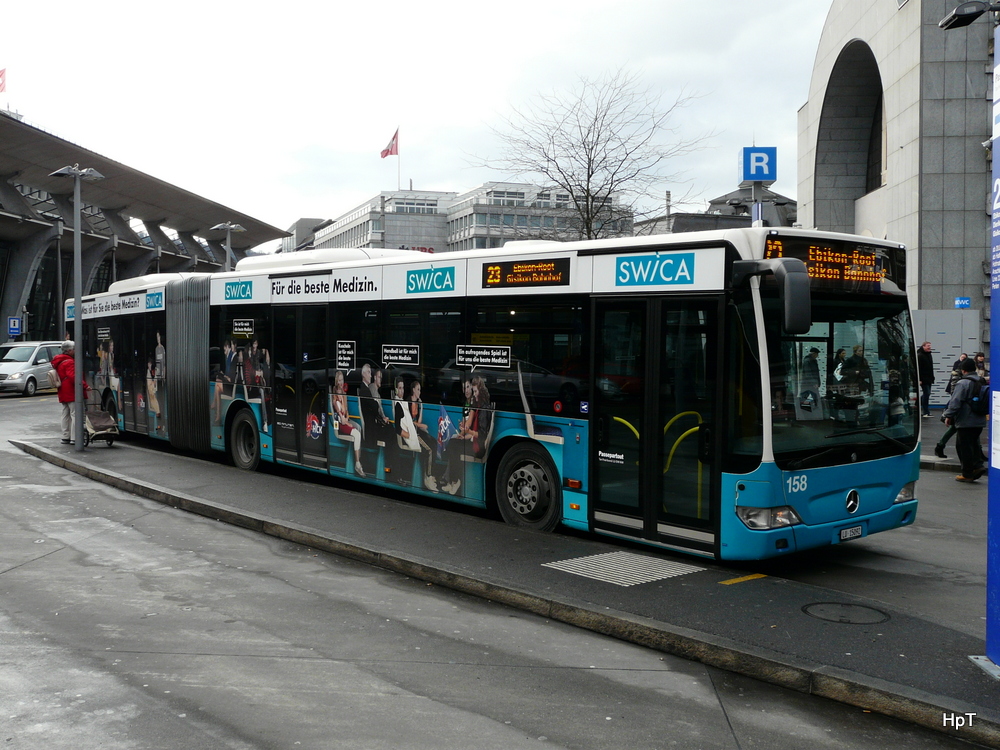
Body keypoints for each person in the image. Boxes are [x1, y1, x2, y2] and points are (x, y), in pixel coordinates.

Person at [943, 358, 987, 482]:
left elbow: (955, 402)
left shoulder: (963, 383)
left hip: (966, 420)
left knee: (963, 447)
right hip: (979, 419)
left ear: (963, 370)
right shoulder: (981, 381)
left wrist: (948, 416)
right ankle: (977, 466)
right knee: (974, 444)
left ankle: (967, 474)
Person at [52, 340, 88, 445]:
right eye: (74, 349)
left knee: (65, 414)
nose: (75, 351)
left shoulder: (58, 361)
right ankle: (75, 437)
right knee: (75, 414)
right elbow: (74, 377)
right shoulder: (70, 362)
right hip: (72, 391)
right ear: (69, 351)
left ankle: (65, 436)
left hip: (63, 390)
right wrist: (85, 385)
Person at [330, 369, 364, 476]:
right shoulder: (335, 399)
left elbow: (347, 413)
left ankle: (358, 458)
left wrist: (348, 418)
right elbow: (342, 419)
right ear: (336, 382)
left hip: (346, 421)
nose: (340, 382)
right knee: (357, 434)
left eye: (342, 380)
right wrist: (348, 423)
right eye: (339, 380)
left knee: (358, 427)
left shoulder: (344, 394)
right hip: (340, 424)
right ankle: (357, 464)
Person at [917, 341, 934, 417]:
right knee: (926, 394)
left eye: (930, 346)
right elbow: (919, 369)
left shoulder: (929, 355)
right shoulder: (920, 356)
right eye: (928, 346)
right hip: (923, 378)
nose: (929, 347)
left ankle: (917, 404)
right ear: (923, 346)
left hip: (929, 378)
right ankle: (925, 412)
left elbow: (930, 368)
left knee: (927, 394)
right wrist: (919, 379)